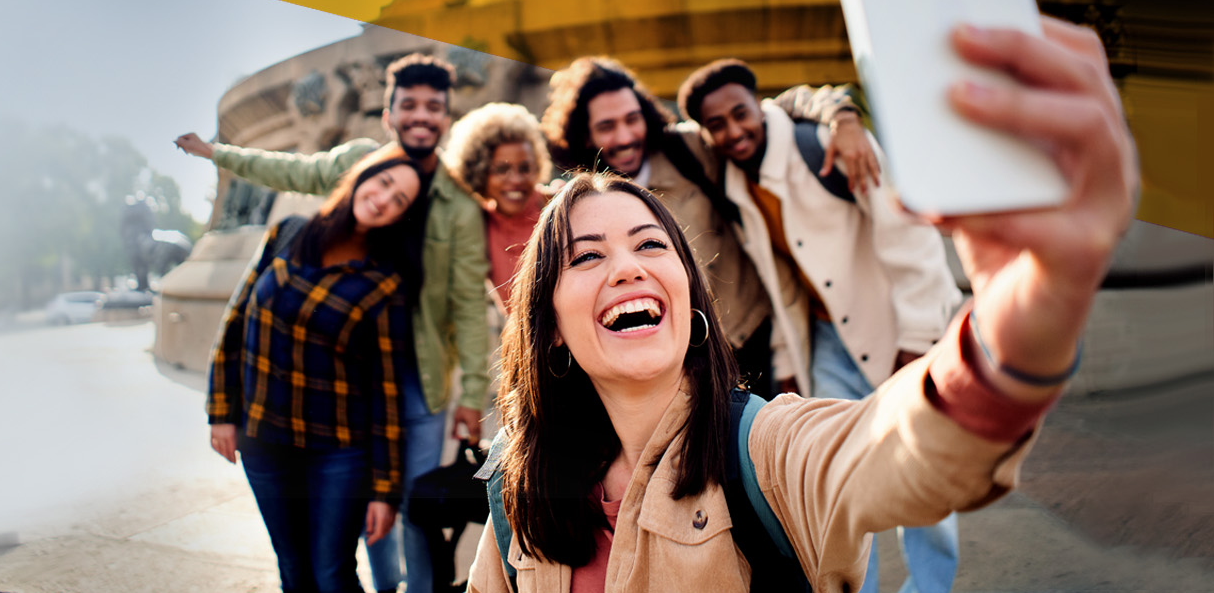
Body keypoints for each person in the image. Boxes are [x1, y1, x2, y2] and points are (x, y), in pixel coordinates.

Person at [465, 18, 1137, 593]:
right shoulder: (514, 487)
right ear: (548, 327)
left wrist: (1017, 325)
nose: (628, 267)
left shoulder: (765, 448)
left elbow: (893, 449)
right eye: (587, 256)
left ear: (691, 296)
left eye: (651, 244)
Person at [180, 53, 490, 593]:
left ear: (447, 116)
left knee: (401, 507)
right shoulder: (347, 176)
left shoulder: (457, 208)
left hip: (411, 376)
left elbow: (466, 301)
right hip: (318, 387)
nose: (421, 115)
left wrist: (472, 394)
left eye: (433, 107)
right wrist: (217, 154)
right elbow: (291, 170)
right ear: (390, 113)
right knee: (330, 543)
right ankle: (383, 582)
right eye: (409, 104)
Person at [678, 60, 965, 593]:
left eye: (740, 113)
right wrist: (789, 364)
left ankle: (930, 588)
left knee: (921, 469)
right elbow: (781, 280)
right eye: (717, 124)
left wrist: (918, 340)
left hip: (897, 331)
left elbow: (910, 238)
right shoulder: (738, 181)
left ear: (758, 104)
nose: (733, 130)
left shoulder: (827, 146)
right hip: (828, 344)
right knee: (836, 480)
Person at [538, 57, 876, 396]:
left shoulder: (688, 151)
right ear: (584, 134)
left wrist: (843, 119)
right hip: (682, 364)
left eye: (632, 119)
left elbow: (771, 111)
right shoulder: (584, 205)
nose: (625, 136)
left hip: (759, 338)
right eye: (607, 126)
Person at [207, 143, 423, 593]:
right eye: (383, 183)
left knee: (332, 574)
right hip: (263, 439)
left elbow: (386, 392)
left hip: (338, 453)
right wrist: (221, 412)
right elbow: (236, 320)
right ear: (364, 176)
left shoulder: (384, 283)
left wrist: (384, 490)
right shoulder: (287, 233)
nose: (384, 199)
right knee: (293, 568)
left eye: (399, 200)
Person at [442, 102, 553, 308]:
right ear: (480, 172)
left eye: (525, 168)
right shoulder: (477, 223)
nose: (516, 180)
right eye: (501, 169)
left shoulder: (557, 208)